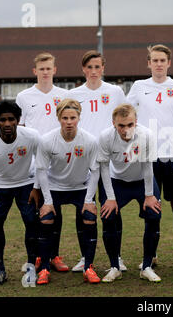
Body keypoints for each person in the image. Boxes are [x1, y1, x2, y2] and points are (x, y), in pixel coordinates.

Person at [127, 44, 173, 270]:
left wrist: (172, 125)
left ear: (169, 62)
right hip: (148, 156)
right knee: (151, 205)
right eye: (155, 60)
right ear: (149, 63)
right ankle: (151, 254)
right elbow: (127, 110)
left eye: (163, 60)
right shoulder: (139, 86)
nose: (159, 64)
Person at [67, 50, 128, 272]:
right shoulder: (73, 94)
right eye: (89, 67)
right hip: (84, 159)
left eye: (97, 67)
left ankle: (117, 257)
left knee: (111, 208)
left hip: (109, 159)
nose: (93, 71)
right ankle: (85, 257)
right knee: (84, 209)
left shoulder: (115, 91)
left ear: (103, 68)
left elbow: (124, 119)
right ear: (83, 69)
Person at [35, 99, 101, 285]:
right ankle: (45, 268)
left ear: (79, 118)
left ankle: (88, 266)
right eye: (65, 118)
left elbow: (95, 171)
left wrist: (89, 199)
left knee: (89, 217)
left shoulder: (89, 140)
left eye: (73, 117)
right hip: (55, 187)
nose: (69, 121)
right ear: (58, 118)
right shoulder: (47, 140)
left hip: (80, 187)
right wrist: (47, 201)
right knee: (47, 219)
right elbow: (41, 171)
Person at [0, 100, 40, 286]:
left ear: (18, 120)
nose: (7, 124)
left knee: (31, 221)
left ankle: (31, 267)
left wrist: (36, 187)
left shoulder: (31, 136)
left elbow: (42, 160)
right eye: (2, 120)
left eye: (11, 119)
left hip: (26, 183)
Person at [16, 52, 69, 273]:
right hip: (32, 162)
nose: (45, 72)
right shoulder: (24, 97)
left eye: (49, 68)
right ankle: (38, 256)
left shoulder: (65, 95)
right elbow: (19, 129)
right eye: (42, 68)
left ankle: (54, 256)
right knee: (35, 212)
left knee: (55, 210)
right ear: (34, 71)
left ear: (55, 70)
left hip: (57, 161)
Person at [97, 104, 162, 283]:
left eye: (130, 125)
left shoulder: (146, 135)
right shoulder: (105, 137)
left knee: (154, 214)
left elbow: (148, 166)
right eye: (121, 126)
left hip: (142, 181)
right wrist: (110, 198)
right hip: (116, 181)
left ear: (136, 122)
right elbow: (103, 168)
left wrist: (149, 195)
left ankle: (147, 266)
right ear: (113, 124)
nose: (126, 130)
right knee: (108, 216)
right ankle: (114, 266)